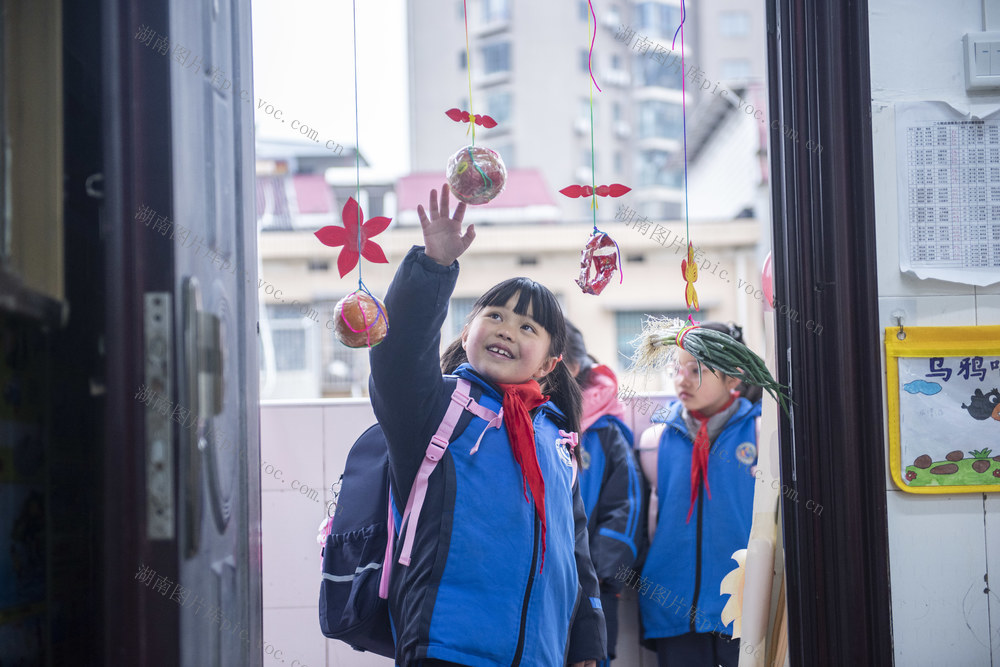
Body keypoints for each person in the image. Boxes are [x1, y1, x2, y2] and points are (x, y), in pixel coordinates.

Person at [369, 184, 606, 667]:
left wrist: (585, 639)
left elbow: (573, 550)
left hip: (540, 655)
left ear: (549, 364)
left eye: (527, 327)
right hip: (445, 647)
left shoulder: (556, 438)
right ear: (467, 331)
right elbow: (395, 358)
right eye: (495, 315)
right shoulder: (437, 406)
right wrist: (433, 267)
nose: (506, 328)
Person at [635, 322, 761, 667]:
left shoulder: (762, 433)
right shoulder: (656, 440)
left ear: (733, 378)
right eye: (677, 369)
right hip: (672, 603)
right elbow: (648, 524)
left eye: (697, 370)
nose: (682, 379)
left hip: (745, 606)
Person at [563, 322, 644, 667]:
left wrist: (596, 571)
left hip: (589, 585)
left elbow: (626, 504)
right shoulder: (516, 418)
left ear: (574, 367)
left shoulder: (606, 432)